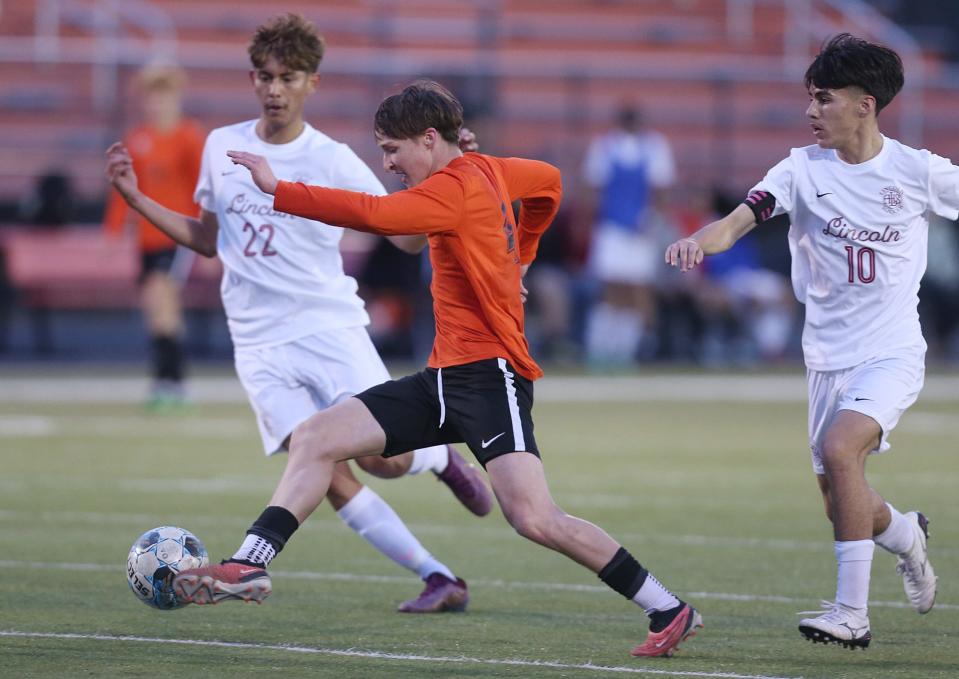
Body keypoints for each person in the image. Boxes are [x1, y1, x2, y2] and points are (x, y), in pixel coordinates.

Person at [173, 79, 703, 659]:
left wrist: (280, 188)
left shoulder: (452, 189)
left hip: (490, 378)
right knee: (318, 436)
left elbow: (372, 213)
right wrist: (519, 255)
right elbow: (549, 184)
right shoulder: (487, 169)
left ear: (429, 140)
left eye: (393, 150)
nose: (388, 162)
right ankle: (250, 565)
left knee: (534, 518)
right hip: (444, 378)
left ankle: (666, 606)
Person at [105, 13, 493, 614]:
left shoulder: (331, 159)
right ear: (252, 79)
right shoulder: (220, 146)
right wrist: (136, 199)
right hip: (258, 346)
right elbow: (208, 240)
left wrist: (448, 182)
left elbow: (408, 239)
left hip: (328, 327)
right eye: (264, 76)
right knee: (328, 476)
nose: (274, 89)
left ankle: (439, 454)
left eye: (288, 77)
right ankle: (438, 576)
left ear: (313, 83)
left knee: (379, 459)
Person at [665, 33, 951, 649]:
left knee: (842, 448)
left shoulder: (918, 172)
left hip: (893, 350)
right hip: (825, 358)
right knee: (840, 499)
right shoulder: (799, 170)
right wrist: (700, 242)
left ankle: (852, 614)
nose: (810, 111)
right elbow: (740, 219)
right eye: (810, 99)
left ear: (865, 104)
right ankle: (905, 534)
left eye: (823, 99)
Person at [103, 65, 205, 409]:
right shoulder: (138, 138)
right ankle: (164, 380)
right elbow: (126, 190)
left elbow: (202, 188)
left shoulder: (188, 137)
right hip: (146, 238)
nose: (156, 104)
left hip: (177, 233)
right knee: (154, 308)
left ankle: (173, 382)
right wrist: (114, 230)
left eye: (163, 96)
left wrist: (210, 233)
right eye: (151, 97)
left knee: (163, 300)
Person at [582, 105, 677, 366]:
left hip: (640, 229)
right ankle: (601, 348)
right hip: (611, 227)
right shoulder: (605, 147)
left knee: (636, 289)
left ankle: (626, 348)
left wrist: (655, 221)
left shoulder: (655, 147)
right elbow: (594, 188)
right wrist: (592, 224)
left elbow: (661, 189)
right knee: (612, 288)